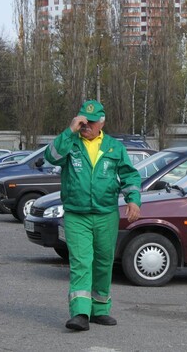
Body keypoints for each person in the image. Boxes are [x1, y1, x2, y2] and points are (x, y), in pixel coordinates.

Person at [45, 100, 142, 331]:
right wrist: (69, 131)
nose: (85, 125)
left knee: (103, 262)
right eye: (82, 120)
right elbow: (51, 156)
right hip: (77, 214)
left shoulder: (113, 147)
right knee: (81, 262)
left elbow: (129, 176)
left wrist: (133, 200)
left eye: (90, 121)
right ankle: (80, 312)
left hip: (106, 213)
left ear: (101, 122)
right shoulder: (71, 143)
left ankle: (99, 309)